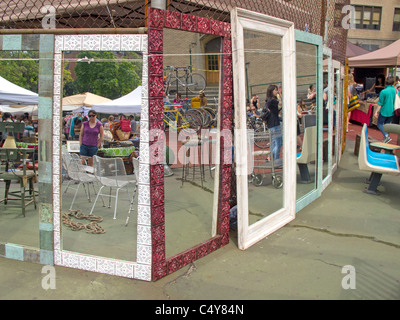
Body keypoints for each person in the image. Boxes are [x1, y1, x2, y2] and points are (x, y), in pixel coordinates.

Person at [374, 76, 398, 143]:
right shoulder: (395, 91)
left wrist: (376, 112)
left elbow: (380, 103)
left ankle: (386, 136)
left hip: (384, 110)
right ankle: (386, 138)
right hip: (392, 111)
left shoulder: (383, 91)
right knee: (387, 125)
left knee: (379, 124)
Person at [262, 85, 282, 161]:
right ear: (271, 91)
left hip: (272, 124)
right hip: (274, 124)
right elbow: (281, 102)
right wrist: (280, 94)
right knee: (278, 143)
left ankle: (269, 157)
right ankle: (276, 159)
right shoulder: (272, 101)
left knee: (275, 143)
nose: (277, 92)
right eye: (275, 90)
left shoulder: (269, 101)